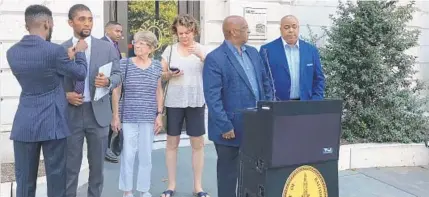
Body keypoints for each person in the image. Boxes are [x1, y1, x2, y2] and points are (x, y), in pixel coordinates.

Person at [6, 4, 88, 197]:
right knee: (56, 180)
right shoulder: (54, 51)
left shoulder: (12, 52)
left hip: (25, 123)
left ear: (27, 25)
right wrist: (81, 52)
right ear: (47, 23)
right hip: (53, 123)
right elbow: (81, 74)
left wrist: (65, 57)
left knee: (24, 183)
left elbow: (41, 72)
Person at [202, 15, 273, 197]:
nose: (248, 32)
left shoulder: (253, 53)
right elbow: (212, 97)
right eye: (246, 28)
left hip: (256, 125)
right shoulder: (215, 58)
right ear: (233, 31)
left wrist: (269, 111)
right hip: (230, 129)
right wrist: (225, 125)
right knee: (228, 174)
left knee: (253, 173)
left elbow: (265, 83)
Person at [62, 4, 122, 197]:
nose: (87, 23)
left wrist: (108, 81)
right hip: (71, 115)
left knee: (97, 169)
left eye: (90, 19)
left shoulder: (106, 47)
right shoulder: (61, 49)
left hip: (98, 115)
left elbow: (119, 74)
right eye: (81, 19)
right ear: (71, 22)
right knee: (70, 167)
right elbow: (53, 82)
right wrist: (66, 95)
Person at [110, 30, 164, 197]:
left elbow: (159, 91)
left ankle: (144, 189)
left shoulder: (156, 65)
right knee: (128, 154)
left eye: (142, 43)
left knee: (146, 155)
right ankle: (127, 190)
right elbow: (116, 92)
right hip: (128, 116)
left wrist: (159, 114)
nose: (137, 45)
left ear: (151, 47)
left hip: (148, 116)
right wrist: (115, 116)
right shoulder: (125, 63)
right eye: (136, 42)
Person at [160, 14, 208, 197]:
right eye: (181, 33)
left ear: (194, 31)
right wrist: (169, 75)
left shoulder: (203, 49)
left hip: (196, 100)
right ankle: (171, 185)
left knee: (198, 144)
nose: (184, 36)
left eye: (188, 32)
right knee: (172, 143)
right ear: (176, 33)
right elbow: (161, 73)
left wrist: (202, 56)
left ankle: (198, 187)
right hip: (174, 101)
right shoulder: (170, 50)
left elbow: (213, 70)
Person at [259, 15, 325, 101]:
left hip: (305, 104)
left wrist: (316, 99)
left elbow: (319, 78)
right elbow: (262, 79)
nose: (291, 30)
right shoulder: (267, 50)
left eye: (294, 27)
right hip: (278, 105)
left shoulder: (310, 50)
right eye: (287, 27)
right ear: (280, 29)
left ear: (298, 28)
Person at [101, 20, 124, 163]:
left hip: (113, 86)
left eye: (121, 32)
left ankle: (106, 148)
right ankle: (104, 150)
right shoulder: (102, 45)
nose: (120, 35)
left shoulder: (114, 45)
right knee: (106, 119)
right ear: (107, 31)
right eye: (117, 31)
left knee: (112, 117)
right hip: (105, 87)